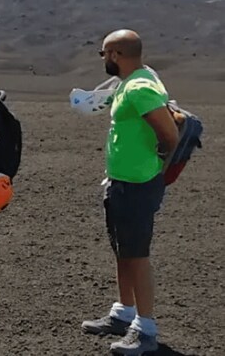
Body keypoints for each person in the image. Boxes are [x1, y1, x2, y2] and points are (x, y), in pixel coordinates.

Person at [81, 30, 178, 355]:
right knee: (124, 251)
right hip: (121, 182)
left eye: (104, 53)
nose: (103, 59)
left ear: (116, 55)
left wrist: (152, 171)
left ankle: (146, 329)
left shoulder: (139, 87)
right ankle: (124, 312)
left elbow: (169, 136)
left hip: (138, 185)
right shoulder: (129, 84)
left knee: (137, 255)